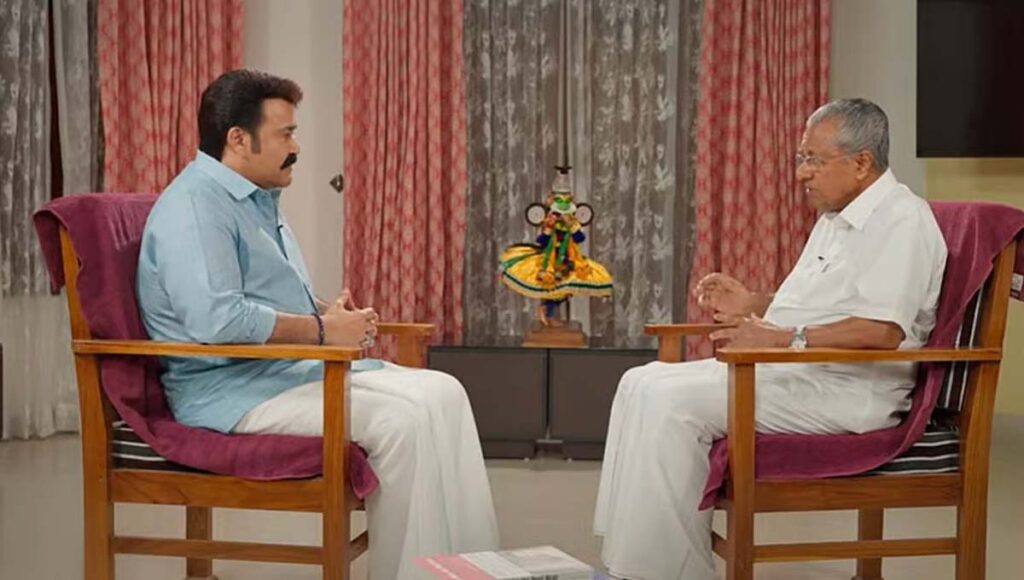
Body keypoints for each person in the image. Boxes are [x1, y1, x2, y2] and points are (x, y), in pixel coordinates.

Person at [136, 69, 498, 579]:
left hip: (282, 372)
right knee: (402, 424)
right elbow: (217, 320)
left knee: (445, 393)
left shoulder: (252, 197)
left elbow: (260, 300)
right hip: (229, 392)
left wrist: (328, 315)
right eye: (285, 134)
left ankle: (462, 571)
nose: (296, 147)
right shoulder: (195, 208)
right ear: (238, 139)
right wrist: (324, 333)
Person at [593, 98, 948, 580]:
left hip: (848, 390)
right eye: (801, 158)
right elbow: (821, 305)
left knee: (669, 402)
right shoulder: (836, 217)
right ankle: (629, 561)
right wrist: (754, 303)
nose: (802, 173)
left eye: (813, 160)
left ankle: (669, 573)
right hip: (799, 373)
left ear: (862, 162)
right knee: (641, 381)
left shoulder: (901, 221)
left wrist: (783, 339)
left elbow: (881, 330)